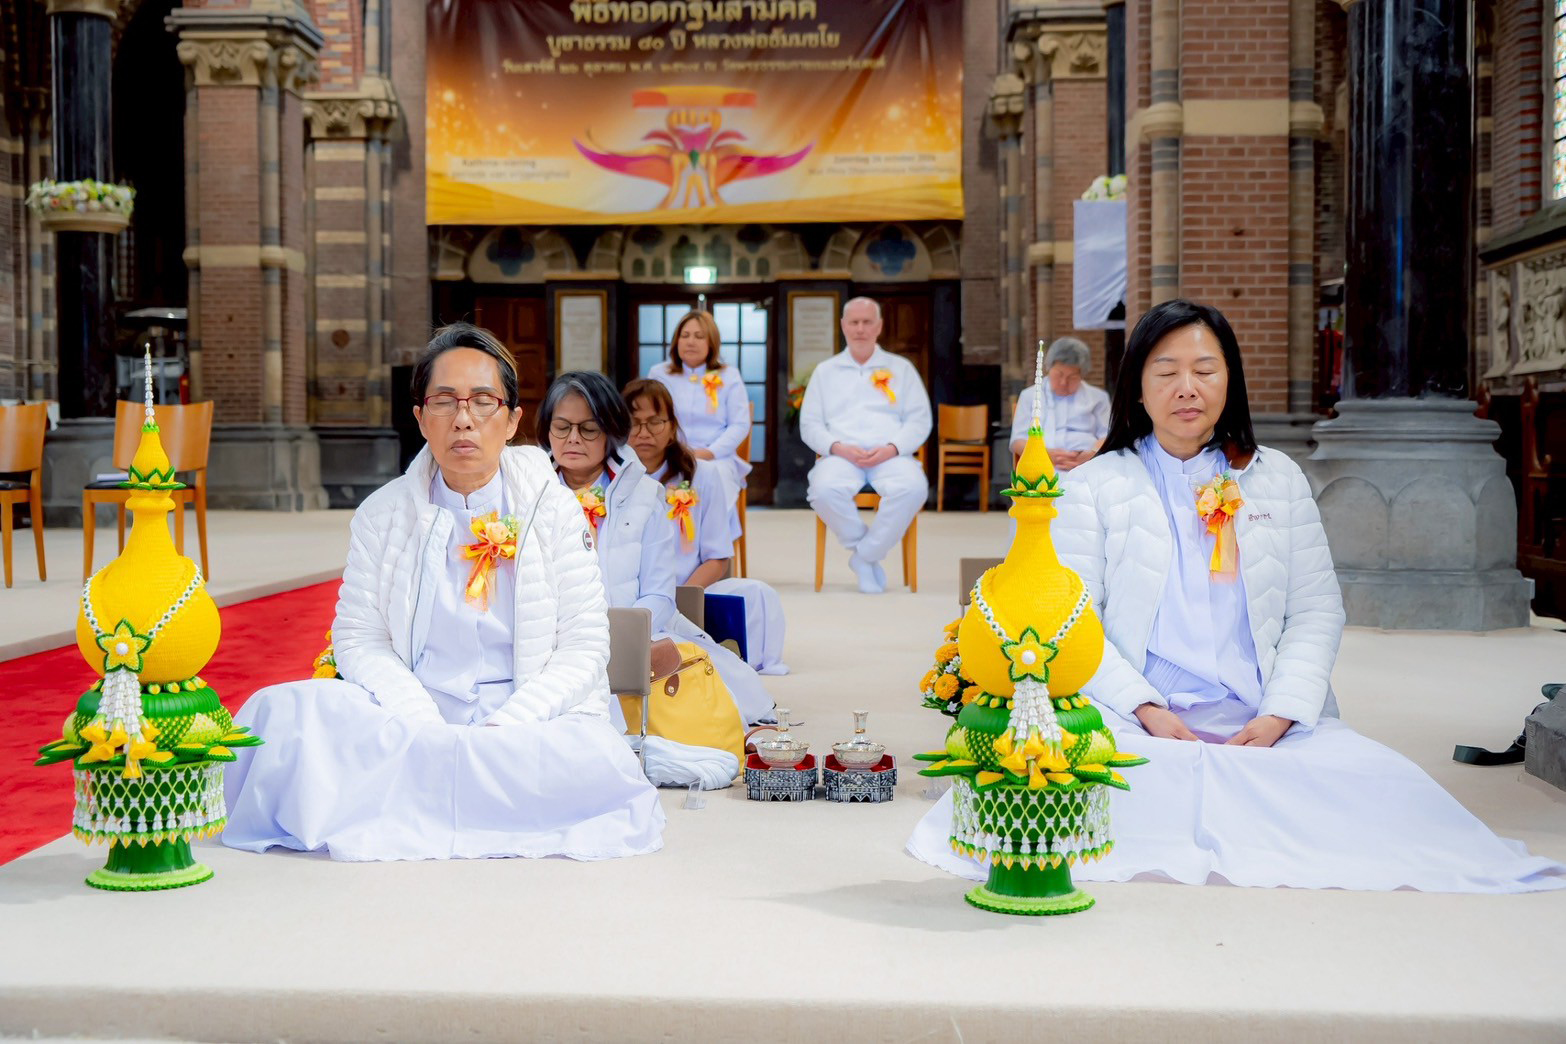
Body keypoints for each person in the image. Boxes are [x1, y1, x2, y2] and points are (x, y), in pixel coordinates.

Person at [908, 300, 1566, 893]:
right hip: (1136, 722)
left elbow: (1315, 610)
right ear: (1137, 384)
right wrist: (1143, 707)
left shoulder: (1277, 478)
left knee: (1389, 795)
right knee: (1067, 791)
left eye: (1205, 369)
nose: (1186, 388)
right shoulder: (1094, 486)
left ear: (1232, 381)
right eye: (1165, 371)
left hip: (1261, 719)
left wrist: (1282, 713)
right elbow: (1077, 621)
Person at [222, 324, 664, 862]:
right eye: (445, 401)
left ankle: (429, 790)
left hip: (524, 719)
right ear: (419, 417)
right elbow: (359, 638)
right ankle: (455, 785)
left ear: (512, 420)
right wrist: (419, 717)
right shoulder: (382, 514)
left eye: (483, 401)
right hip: (413, 713)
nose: (463, 419)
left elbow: (585, 644)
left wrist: (511, 722)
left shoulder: (552, 507)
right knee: (280, 714)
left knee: (596, 761)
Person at [539, 371, 774, 726]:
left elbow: (659, 595)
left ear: (612, 434)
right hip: (548, 640)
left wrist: (618, 638)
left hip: (634, 636)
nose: (573, 439)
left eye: (588, 429)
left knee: (698, 706)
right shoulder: (526, 494)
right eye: (561, 427)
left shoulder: (647, 496)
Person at [623, 378, 788, 675]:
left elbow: (717, 557)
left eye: (654, 422)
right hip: (630, 600)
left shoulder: (704, 475)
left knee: (758, 594)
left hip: (691, 591)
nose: (644, 433)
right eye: (634, 423)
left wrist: (680, 598)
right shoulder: (612, 480)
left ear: (672, 427)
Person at [799, 296, 932, 594]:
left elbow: (919, 420)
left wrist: (892, 447)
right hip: (841, 455)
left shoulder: (901, 368)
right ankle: (865, 550)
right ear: (843, 326)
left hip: (890, 455)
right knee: (822, 490)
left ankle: (864, 557)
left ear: (879, 326)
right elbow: (810, 424)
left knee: (913, 488)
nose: (860, 328)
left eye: (867, 322)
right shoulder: (825, 371)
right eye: (854, 322)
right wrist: (837, 447)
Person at [651, 309, 751, 541]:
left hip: (716, 457)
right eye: (685, 335)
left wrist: (708, 452)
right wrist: (674, 450)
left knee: (716, 483)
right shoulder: (660, 374)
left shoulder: (729, 375)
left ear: (711, 342)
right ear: (676, 341)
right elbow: (652, 419)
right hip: (670, 453)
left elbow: (739, 424)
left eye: (699, 336)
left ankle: (713, 554)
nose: (690, 342)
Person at [1008, 336, 1110, 470]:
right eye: (1059, 374)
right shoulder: (1030, 396)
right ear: (1048, 368)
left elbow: (1109, 435)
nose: (1063, 382)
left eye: (1072, 377)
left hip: (1087, 466)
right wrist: (1045, 454)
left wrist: (1092, 454)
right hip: (1041, 464)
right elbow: (1017, 440)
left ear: (1082, 375)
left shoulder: (1098, 398)